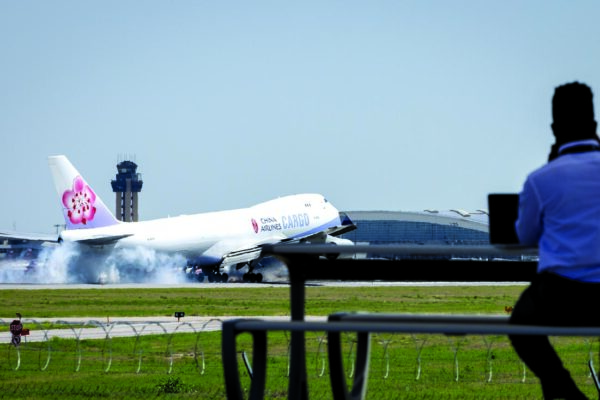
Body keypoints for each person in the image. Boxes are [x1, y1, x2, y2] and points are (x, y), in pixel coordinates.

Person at [509, 81, 600, 400]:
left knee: (520, 324)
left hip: (564, 294)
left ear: (554, 129)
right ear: (595, 125)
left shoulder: (541, 179)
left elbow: (525, 237)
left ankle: (566, 391)